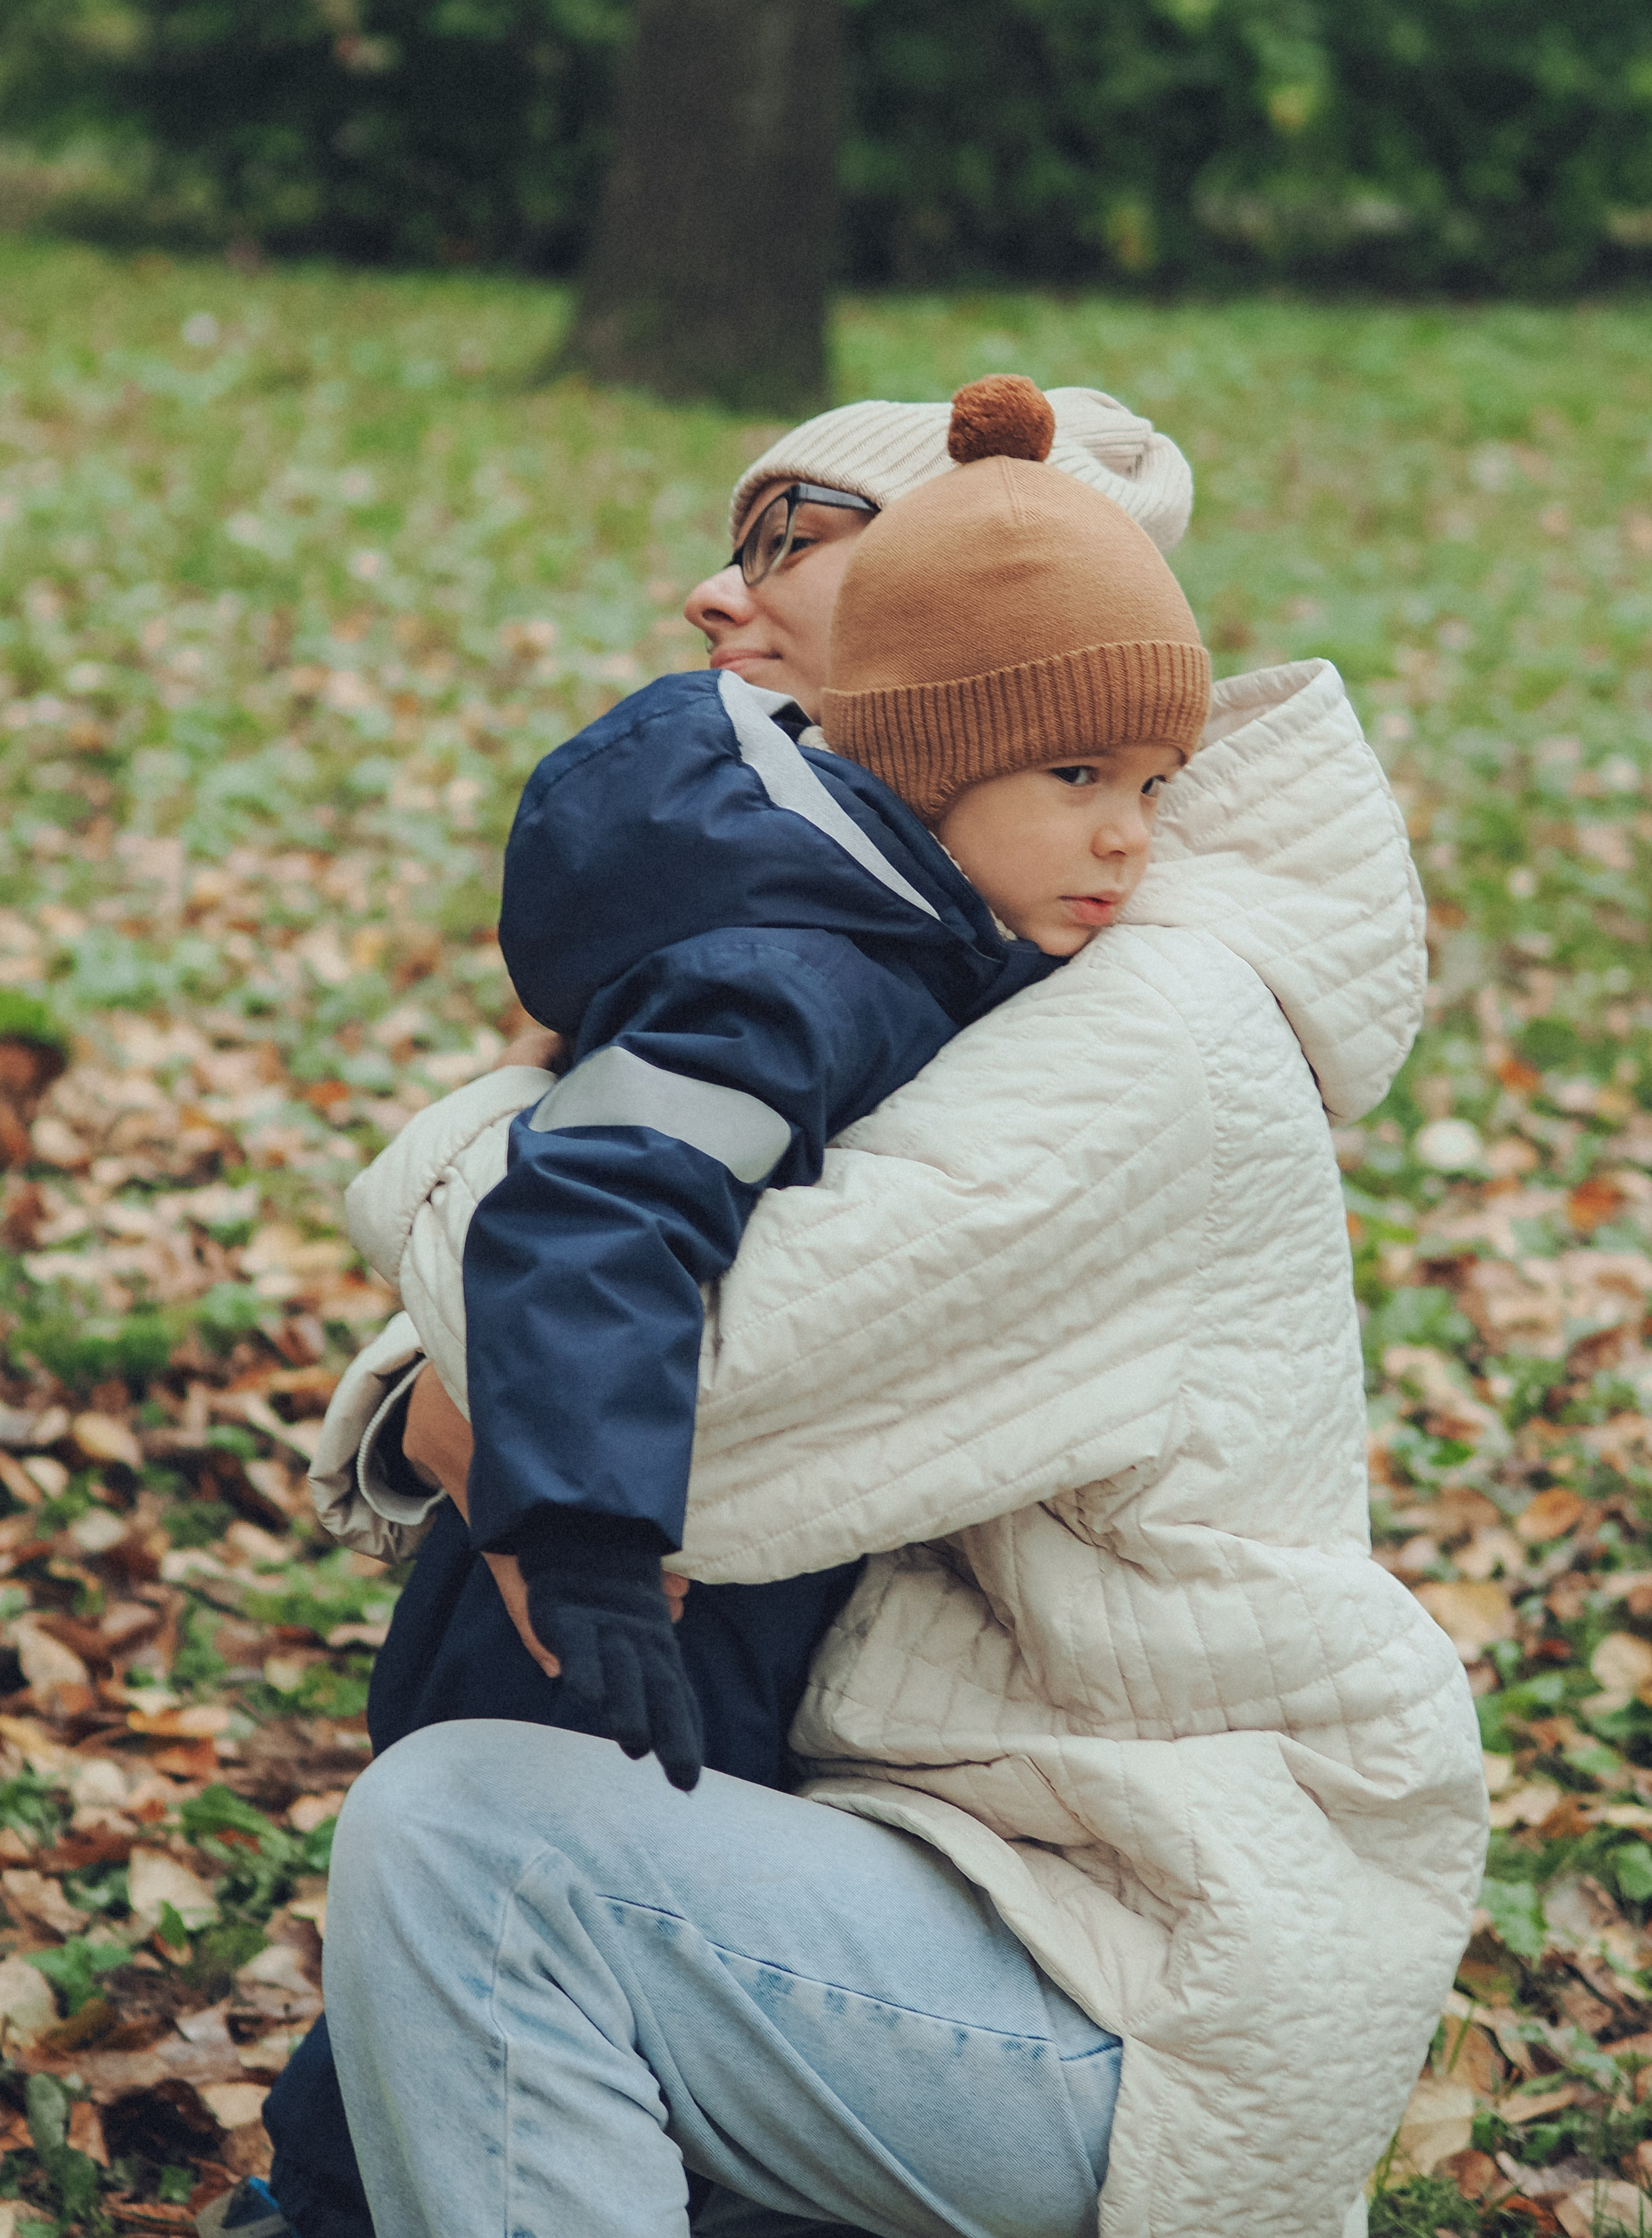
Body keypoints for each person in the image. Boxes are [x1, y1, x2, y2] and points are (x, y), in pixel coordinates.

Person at [307, 433, 1487, 2232]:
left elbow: (711, 1417)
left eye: (804, 535)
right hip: (966, 1856)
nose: (724, 588)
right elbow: (597, 1308)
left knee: (477, 1847)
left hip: (1134, 1967)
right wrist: (462, 1377)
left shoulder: (1138, 1030)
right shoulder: (962, 937)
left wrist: (481, 1134)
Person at [237, 379, 1200, 2238]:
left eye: (795, 545)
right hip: (649, 1587)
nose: (711, 590)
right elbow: (591, 1189)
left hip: (907, 1738)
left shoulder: (1001, 937)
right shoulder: (819, 934)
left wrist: (504, 1421)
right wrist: (561, 1485)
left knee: (534, 1885)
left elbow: (636, 1242)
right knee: (510, 1860)